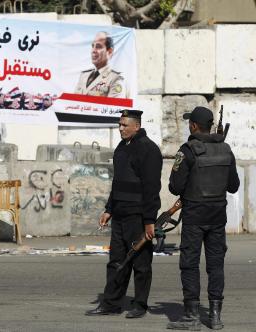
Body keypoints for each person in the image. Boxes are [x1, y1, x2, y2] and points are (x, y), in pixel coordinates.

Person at [167, 107, 240, 331]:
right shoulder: (226, 149)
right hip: (218, 216)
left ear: (194, 126)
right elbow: (234, 186)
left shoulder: (187, 150)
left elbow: (175, 186)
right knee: (215, 265)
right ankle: (215, 316)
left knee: (189, 264)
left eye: (190, 123)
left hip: (195, 216)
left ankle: (192, 315)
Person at [86, 109, 162, 319]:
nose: (120, 129)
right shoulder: (121, 147)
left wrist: (149, 220)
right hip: (119, 214)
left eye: (124, 125)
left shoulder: (149, 150)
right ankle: (111, 303)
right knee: (116, 261)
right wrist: (109, 209)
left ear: (136, 126)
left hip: (137, 216)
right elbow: (117, 182)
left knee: (140, 263)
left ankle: (140, 304)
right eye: (119, 125)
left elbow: (151, 188)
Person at [74, 32, 126, 98]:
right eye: (93, 46)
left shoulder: (115, 79)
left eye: (98, 46)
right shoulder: (84, 76)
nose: (93, 50)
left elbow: (114, 107)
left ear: (109, 52)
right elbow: (74, 101)